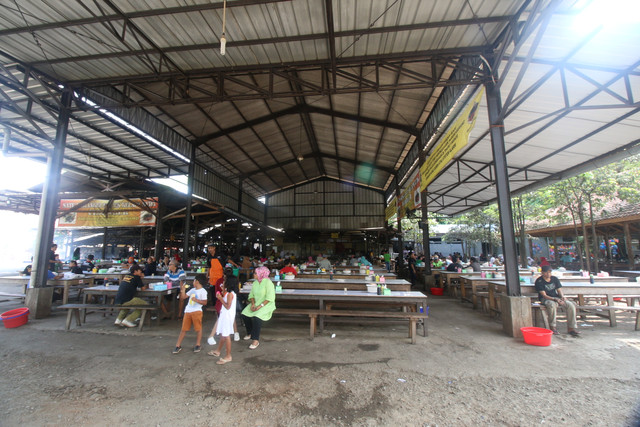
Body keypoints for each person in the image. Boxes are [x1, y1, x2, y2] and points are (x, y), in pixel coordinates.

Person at [534, 265, 580, 337]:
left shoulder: (554, 279)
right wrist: (555, 299)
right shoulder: (539, 281)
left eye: (549, 272)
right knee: (552, 305)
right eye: (546, 272)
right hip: (546, 299)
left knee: (570, 305)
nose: (548, 274)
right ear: (542, 273)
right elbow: (544, 295)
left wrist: (562, 297)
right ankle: (553, 327)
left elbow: (559, 290)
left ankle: (571, 328)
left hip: (556, 297)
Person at [241, 266, 276, 350]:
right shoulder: (255, 282)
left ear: (261, 274)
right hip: (256, 303)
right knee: (244, 314)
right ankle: (249, 333)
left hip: (267, 304)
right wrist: (253, 304)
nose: (254, 274)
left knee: (257, 317)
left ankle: (255, 340)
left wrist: (260, 306)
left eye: (255, 273)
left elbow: (270, 297)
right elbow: (251, 295)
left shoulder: (268, 283)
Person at [173, 274, 208, 354]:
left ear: (197, 282)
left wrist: (196, 300)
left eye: (194, 280)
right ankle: (178, 345)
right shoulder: (192, 290)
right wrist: (182, 290)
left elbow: (205, 302)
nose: (193, 282)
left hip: (197, 311)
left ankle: (198, 344)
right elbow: (183, 297)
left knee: (198, 328)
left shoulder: (203, 291)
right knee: (184, 329)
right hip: (188, 311)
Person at [207, 272, 237, 364]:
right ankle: (218, 351)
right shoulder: (229, 293)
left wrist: (220, 299)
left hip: (227, 317)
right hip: (226, 316)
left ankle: (228, 356)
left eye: (225, 281)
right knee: (223, 335)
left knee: (226, 336)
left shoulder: (230, 294)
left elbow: (228, 306)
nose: (223, 282)